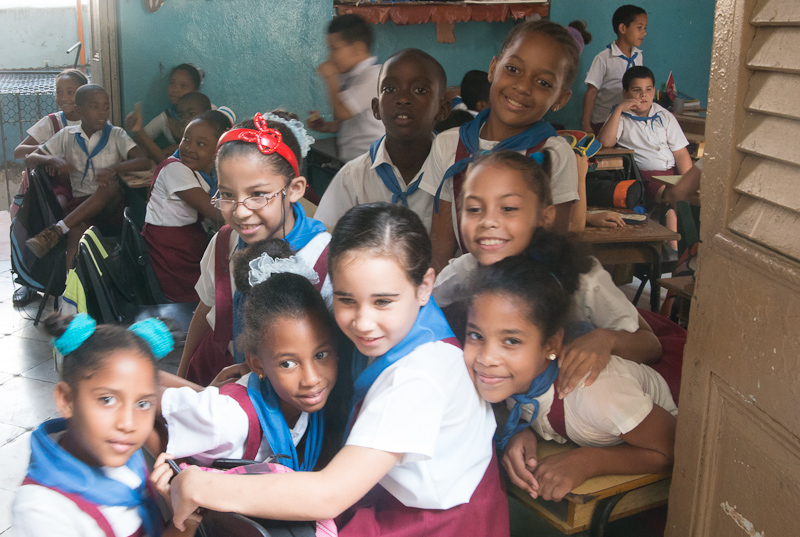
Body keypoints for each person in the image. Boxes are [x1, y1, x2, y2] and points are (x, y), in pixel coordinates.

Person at [154, 203, 509, 536]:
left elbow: (329, 494)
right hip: (392, 494)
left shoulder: (419, 377)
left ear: (424, 286)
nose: (363, 322)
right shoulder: (400, 328)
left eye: (383, 301)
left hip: (439, 521)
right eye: (346, 299)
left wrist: (203, 484)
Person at [433, 151, 662, 396]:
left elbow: (650, 344)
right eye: (474, 209)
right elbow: (426, 310)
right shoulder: (466, 269)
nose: (488, 221)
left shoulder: (581, 278)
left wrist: (606, 340)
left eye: (508, 208)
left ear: (545, 217)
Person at [463, 248, 677, 502]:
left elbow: (673, 448)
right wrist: (518, 431)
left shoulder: (595, 391)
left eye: (511, 341)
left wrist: (587, 462)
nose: (487, 358)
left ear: (551, 346)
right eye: (476, 335)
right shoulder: (511, 379)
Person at [177, 111, 330, 386]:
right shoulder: (224, 242)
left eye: (257, 195)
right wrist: (183, 374)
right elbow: (205, 309)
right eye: (227, 195)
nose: (241, 212)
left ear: (294, 189)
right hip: (216, 374)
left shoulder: (321, 258)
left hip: (290, 391)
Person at [13, 313, 199, 537]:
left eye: (142, 403)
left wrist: (181, 519)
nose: (128, 423)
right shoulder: (43, 512)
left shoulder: (118, 449)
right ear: (66, 400)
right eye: (107, 400)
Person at [159, 238, 337, 470]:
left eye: (321, 355)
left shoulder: (305, 402)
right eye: (287, 364)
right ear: (257, 364)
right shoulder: (228, 418)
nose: (312, 378)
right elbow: (138, 392)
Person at [419, 20, 582, 272]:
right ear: (493, 68)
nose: (522, 87)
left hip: (528, 292)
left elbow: (554, 255)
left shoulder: (555, 154)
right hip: (463, 291)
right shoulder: (448, 144)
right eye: (513, 69)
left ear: (561, 98)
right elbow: (441, 249)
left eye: (543, 83)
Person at [315, 48, 451, 232]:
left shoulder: (454, 176)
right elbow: (324, 241)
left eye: (419, 90)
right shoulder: (353, 178)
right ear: (376, 108)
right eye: (390, 89)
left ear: (442, 109)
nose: (403, 99)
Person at [24, 84, 152, 268]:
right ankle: (71, 290)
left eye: (106, 107)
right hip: (81, 207)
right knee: (75, 232)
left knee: (108, 186)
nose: (102, 112)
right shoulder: (66, 135)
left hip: (112, 209)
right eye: (94, 107)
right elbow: (30, 160)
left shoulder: (116, 134)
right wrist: (52, 159)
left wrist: (115, 167)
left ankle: (55, 231)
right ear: (78, 111)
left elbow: (143, 160)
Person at [12, 68, 88, 306]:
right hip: (51, 194)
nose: (63, 97)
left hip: (82, 191)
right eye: (59, 92)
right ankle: (29, 282)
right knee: (34, 221)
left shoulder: (92, 120)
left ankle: (73, 286)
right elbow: (19, 152)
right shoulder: (52, 122)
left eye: (71, 92)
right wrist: (50, 151)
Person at [142, 110, 228, 302]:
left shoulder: (194, 173)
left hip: (183, 254)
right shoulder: (175, 169)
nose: (188, 148)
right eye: (186, 139)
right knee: (221, 291)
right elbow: (215, 212)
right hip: (172, 263)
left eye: (200, 144)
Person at [598, 66, 692, 216]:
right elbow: (605, 142)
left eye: (649, 89)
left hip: (671, 175)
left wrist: (689, 183)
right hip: (646, 178)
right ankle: (673, 238)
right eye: (636, 90)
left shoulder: (664, 116)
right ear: (625, 93)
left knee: (692, 198)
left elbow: (681, 154)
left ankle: (680, 237)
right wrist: (619, 109)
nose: (643, 95)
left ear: (654, 91)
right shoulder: (621, 117)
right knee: (672, 197)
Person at [307, 14, 385, 162]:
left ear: (357, 48)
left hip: (372, 163)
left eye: (335, 49)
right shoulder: (350, 77)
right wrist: (327, 127)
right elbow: (351, 123)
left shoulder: (373, 76)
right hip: (354, 163)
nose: (331, 56)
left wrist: (331, 78)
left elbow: (343, 112)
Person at [581, 5, 647, 134]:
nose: (644, 33)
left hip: (628, 121)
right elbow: (591, 92)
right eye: (639, 28)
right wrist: (585, 124)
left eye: (645, 28)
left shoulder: (638, 56)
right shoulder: (604, 58)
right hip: (603, 121)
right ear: (623, 28)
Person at [126, 63, 205, 162]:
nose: (175, 90)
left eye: (183, 86)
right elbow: (136, 143)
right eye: (172, 83)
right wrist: (161, 151)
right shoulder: (166, 118)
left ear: (196, 91)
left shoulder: (208, 112)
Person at [129, 92, 213, 164]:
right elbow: (166, 163)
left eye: (191, 113)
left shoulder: (212, 139)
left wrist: (141, 131)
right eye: (181, 115)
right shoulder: (185, 143)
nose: (184, 120)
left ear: (207, 114)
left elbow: (164, 163)